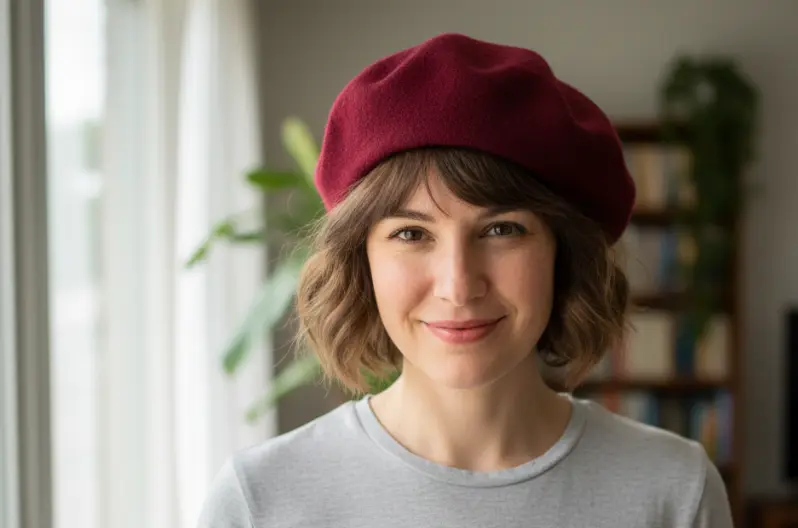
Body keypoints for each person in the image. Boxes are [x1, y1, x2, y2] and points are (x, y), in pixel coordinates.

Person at [197, 33, 733, 528]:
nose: (458, 285)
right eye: (411, 234)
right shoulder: (260, 500)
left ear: (562, 255)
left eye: (502, 229)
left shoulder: (674, 489)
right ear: (362, 263)